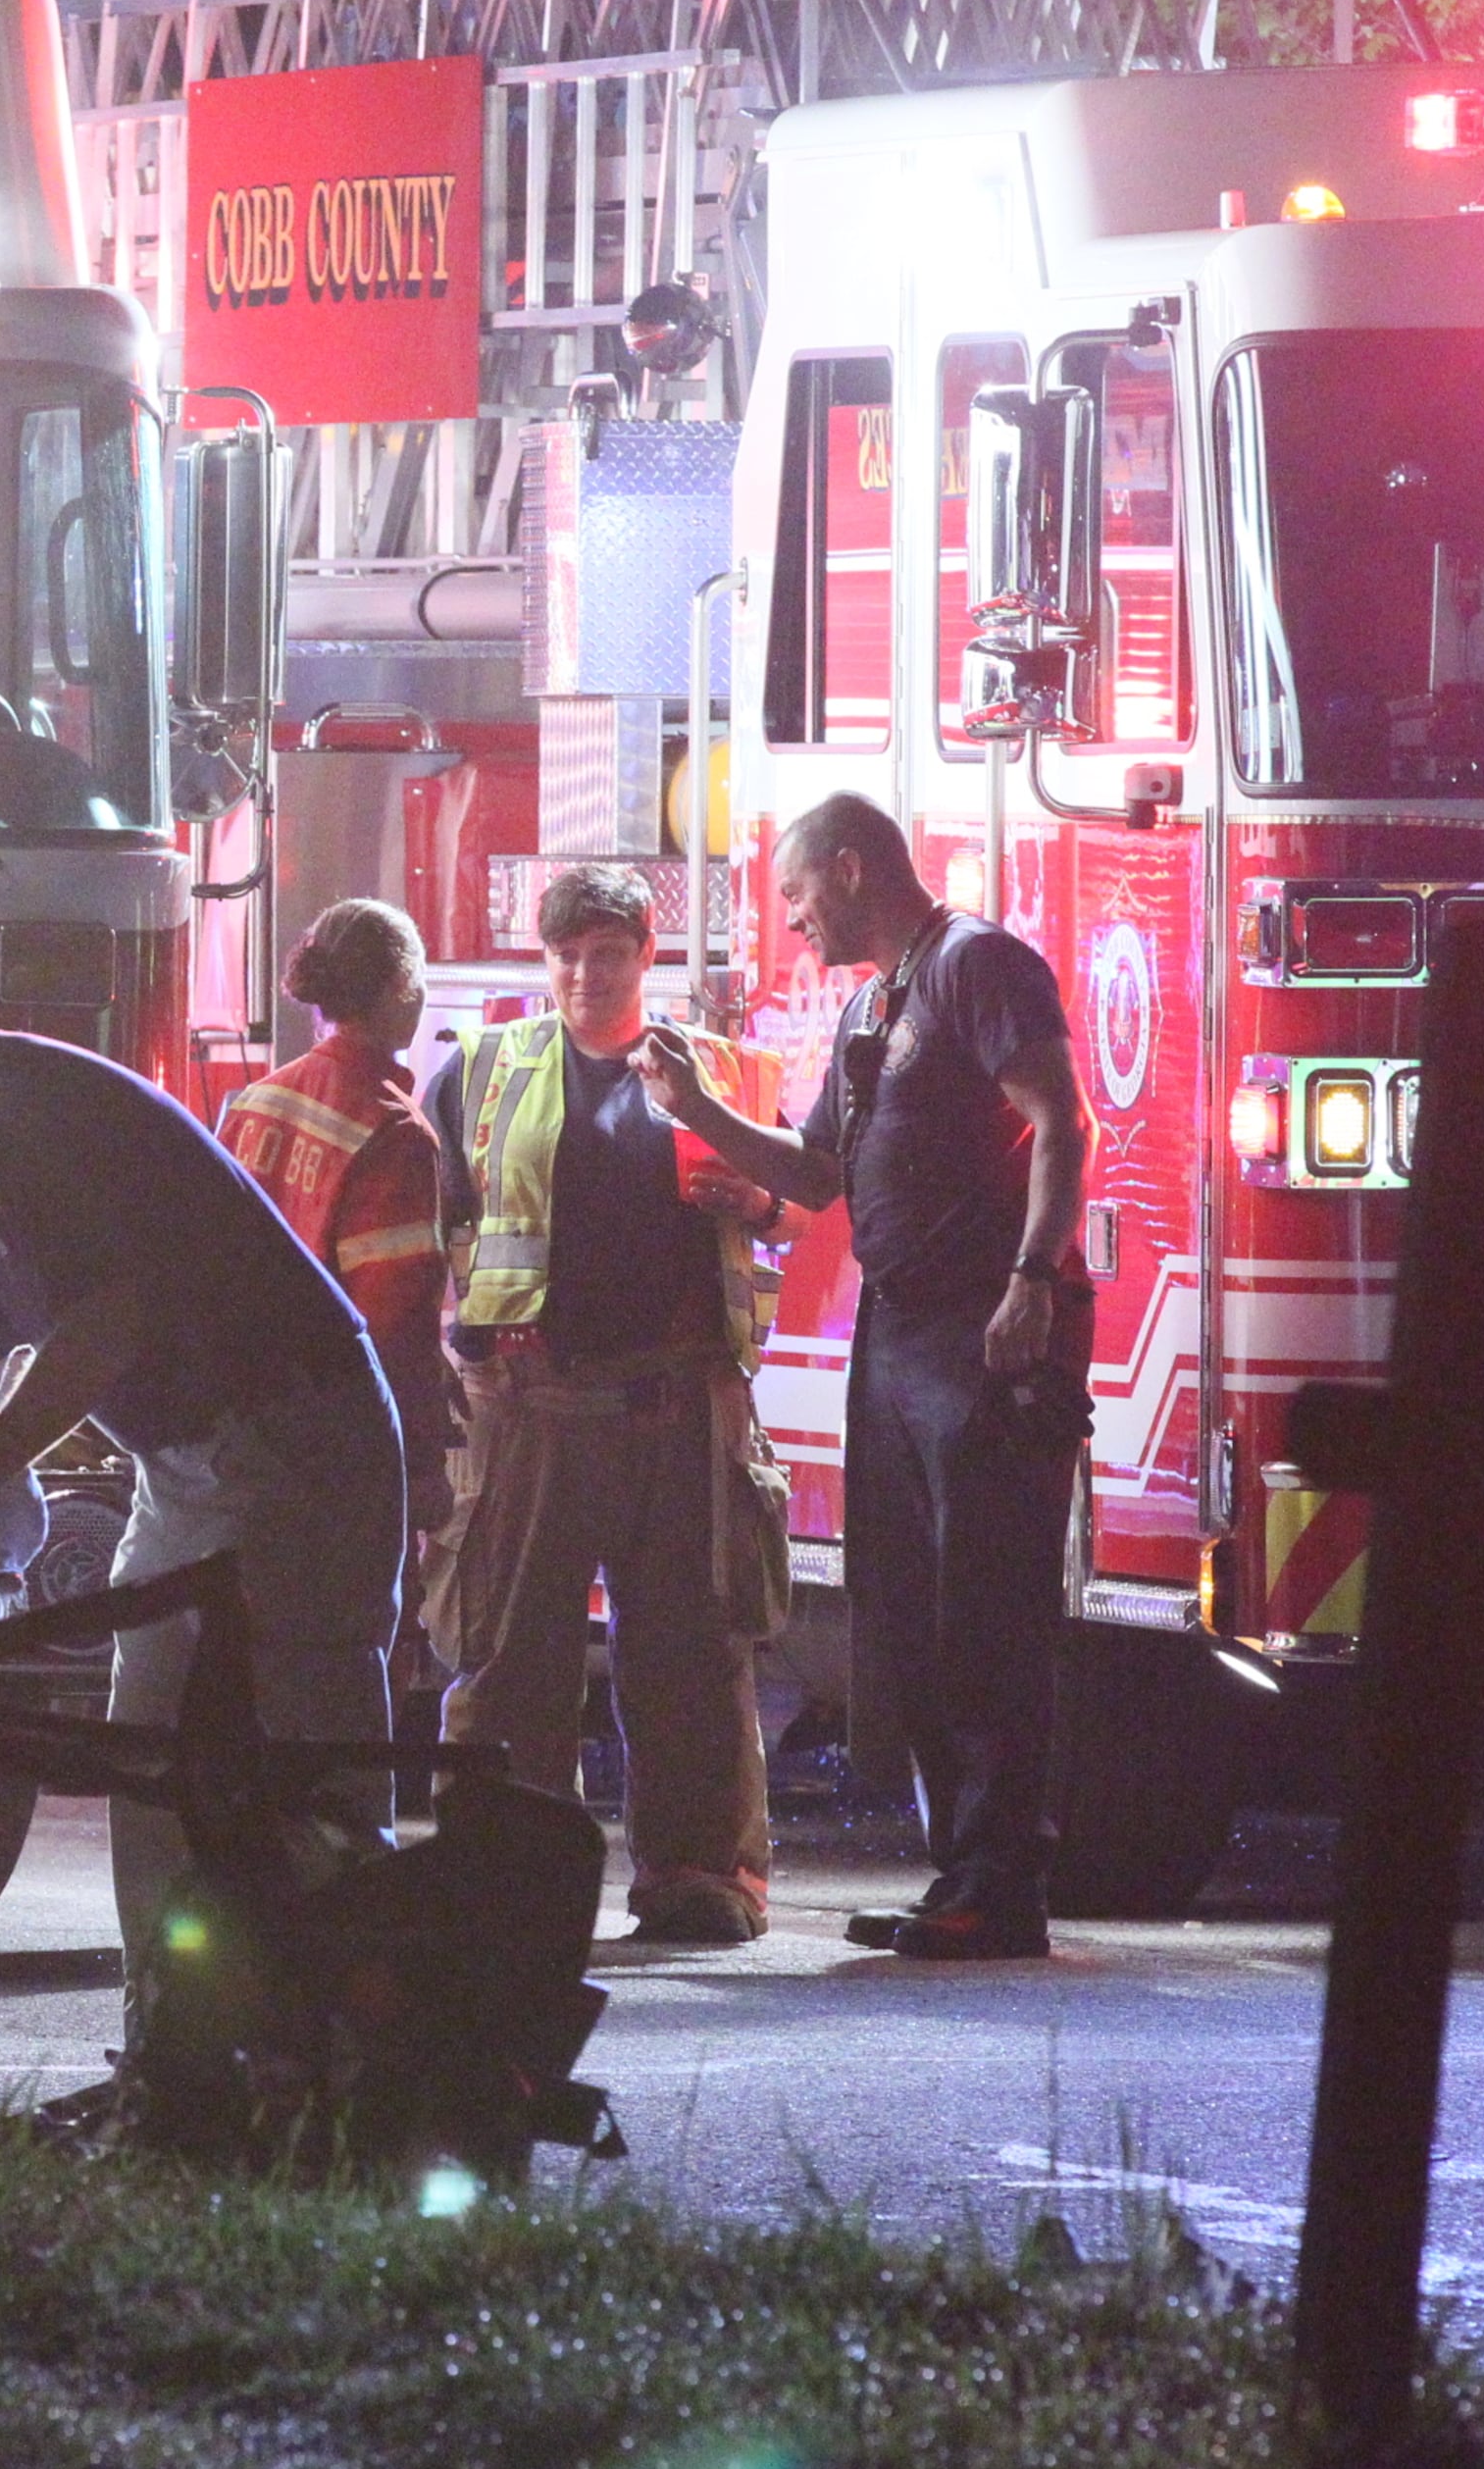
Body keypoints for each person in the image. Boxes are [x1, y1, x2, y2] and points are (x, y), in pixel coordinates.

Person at [0, 928, 402, 2048]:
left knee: (304, 1757)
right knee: (151, 1746)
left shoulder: (26, 1114)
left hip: (294, 1436)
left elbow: (106, 1324)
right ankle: (176, 2048)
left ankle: (375, 2043)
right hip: (192, 1460)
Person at [634, 793, 1092, 1961]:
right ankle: (965, 1881)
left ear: (849, 870)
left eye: (796, 894)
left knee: (991, 1612)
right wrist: (699, 1111)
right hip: (901, 1334)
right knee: (921, 1614)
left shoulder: (974, 963)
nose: (791, 921)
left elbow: (1061, 1120)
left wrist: (1033, 1282)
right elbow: (819, 1172)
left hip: (983, 1326)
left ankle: (1004, 1886)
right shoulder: (871, 1004)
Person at [426, 865, 791, 1946]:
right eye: (569, 954)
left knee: (692, 1649)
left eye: (611, 953)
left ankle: (699, 1876)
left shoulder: (720, 1070)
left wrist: (761, 1198)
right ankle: (505, 1876)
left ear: (646, 955)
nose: (589, 973)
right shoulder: (484, 1069)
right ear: (546, 961)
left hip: (681, 1404)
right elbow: (436, 1214)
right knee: (511, 1656)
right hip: (533, 1407)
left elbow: (806, 1202)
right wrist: (461, 1366)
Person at [212, 900, 457, 1722]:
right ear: (397, 991)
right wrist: (420, 1468)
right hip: (342, 1449)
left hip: (243, 1434)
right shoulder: (392, 1132)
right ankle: (341, 1841)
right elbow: (394, 1323)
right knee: (347, 1673)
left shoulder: (252, 1105)